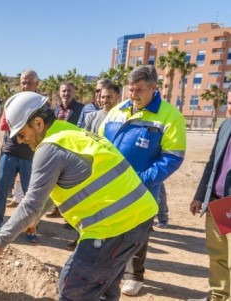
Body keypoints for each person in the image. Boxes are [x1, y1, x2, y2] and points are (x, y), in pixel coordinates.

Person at [0, 91, 157, 300]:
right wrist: (36, 217)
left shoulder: (49, 148)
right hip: (140, 217)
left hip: (113, 227)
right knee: (103, 286)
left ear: (38, 123)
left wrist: (1, 240)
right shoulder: (69, 132)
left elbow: (30, 204)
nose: (20, 141)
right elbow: (47, 194)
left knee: (72, 288)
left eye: (21, 133)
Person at [99, 65, 186, 296]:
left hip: (143, 188)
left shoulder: (170, 116)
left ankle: (134, 275)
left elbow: (172, 158)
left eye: (139, 90)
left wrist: (140, 180)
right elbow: (99, 142)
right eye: (131, 90)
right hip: (110, 185)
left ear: (154, 88)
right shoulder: (117, 110)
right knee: (109, 228)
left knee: (137, 232)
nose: (133, 95)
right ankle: (110, 271)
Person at [190, 90, 231, 301]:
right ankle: (218, 296)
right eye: (230, 103)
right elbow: (212, 164)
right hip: (219, 202)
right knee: (219, 257)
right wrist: (200, 195)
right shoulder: (226, 125)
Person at [0, 70, 38, 238]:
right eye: (23, 82)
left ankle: (31, 229)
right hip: (9, 153)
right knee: (1, 192)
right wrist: (26, 127)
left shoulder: (41, 105)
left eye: (30, 82)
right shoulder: (13, 102)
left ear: (37, 84)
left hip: (30, 157)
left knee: (30, 197)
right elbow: (3, 125)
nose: (26, 85)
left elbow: (42, 129)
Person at [46, 81, 85, 218]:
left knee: (73, 183)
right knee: (58, 181)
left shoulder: (82, 109)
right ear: (59, 92)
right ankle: (57, 208)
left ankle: (72, 216)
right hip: (58, 150)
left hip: (74, 150)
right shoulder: (55, 110)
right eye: (63, 91)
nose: (66, 94)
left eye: (69, 91)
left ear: (73, 92)